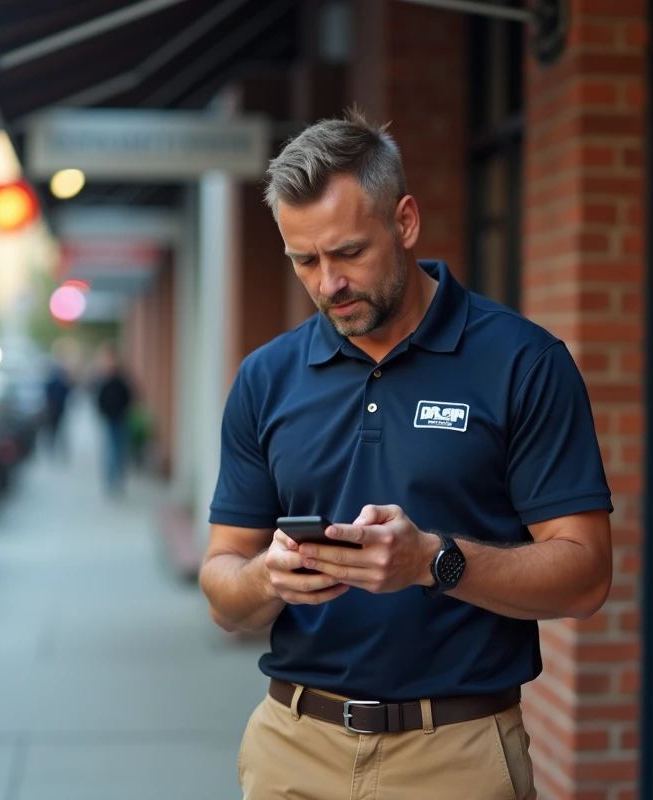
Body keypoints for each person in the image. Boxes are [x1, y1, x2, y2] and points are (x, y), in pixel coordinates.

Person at [199, 109, 614, 799]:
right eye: (305, 260)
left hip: (455, 752)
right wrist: (269, 578)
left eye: (349, 252)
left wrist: (433, 561)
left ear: (406, 222)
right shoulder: (266, 378)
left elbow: (586, 576)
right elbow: (221, 587)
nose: (328, 283)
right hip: (292, 746)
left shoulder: (524, 363)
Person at [95, 344, 134, 495]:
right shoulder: (105, 381)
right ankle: (110, 481)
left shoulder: (121, 381)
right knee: (110, 450)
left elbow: (129, 398)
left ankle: (117, 480)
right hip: (109, 419)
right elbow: (99, 399)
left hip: (120, 419)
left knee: (118, 451)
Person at [42, 358, 72, 460]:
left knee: (53, 432)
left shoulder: (51, 382)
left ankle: (52, 450)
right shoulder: (60, 383)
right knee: (58, 431)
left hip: (53, 410)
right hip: (59, 409)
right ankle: (59, 451)